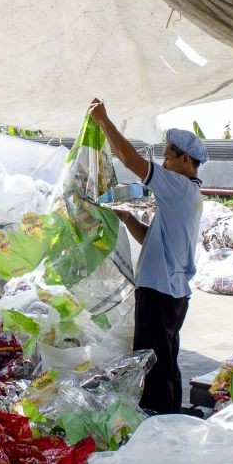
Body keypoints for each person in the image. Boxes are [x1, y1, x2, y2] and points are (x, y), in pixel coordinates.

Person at [88, 98, 207, 414]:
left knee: (153, 368)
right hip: (171, 293)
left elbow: (129, 158)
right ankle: (169, 418)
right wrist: (127, 218)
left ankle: (157, 425)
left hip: (159, 293)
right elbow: (153, 239)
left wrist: (103, 119)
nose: (164, 164)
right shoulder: (186, 195)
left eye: (168, 158)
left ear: (185, 160)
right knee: (166, 364)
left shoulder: (178, 186)